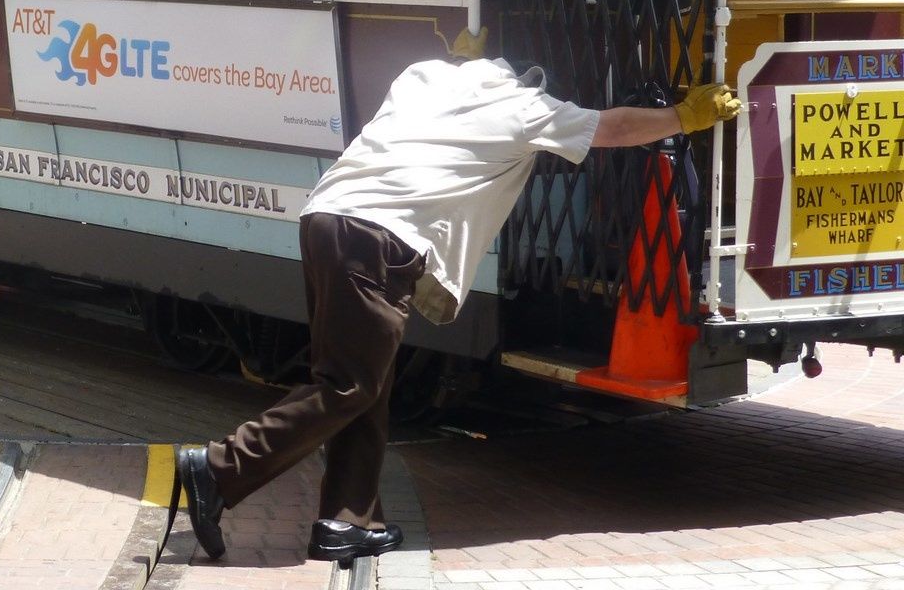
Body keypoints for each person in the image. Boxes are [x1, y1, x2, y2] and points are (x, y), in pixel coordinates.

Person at [175, 33, 745, 567]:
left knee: (363, 382)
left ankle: (346, 521)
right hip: (381, 235)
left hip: (328, 218)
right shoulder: (526, 108)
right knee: (350, 384)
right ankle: (219, 469)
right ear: (528, 78)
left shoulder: (423, 76)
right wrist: (682, 116)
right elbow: (611, 129)